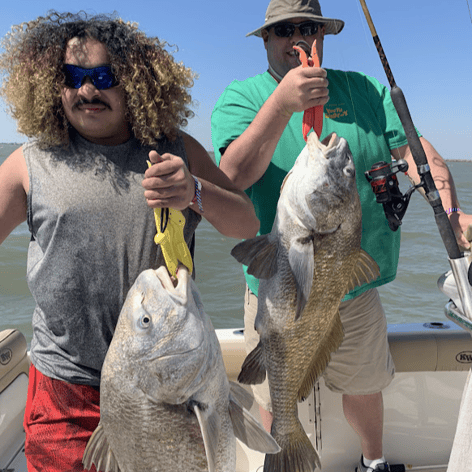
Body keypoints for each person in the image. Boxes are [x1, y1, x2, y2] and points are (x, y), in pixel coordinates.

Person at [210, 0, 472, 471]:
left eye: (308, 28)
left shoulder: (363, 88)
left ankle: (374, 462)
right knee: (278, 386)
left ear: (323, 35)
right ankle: (282, 454)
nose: (298, 39)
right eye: (284, 30)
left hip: (351, 286)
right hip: (278, 291)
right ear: (265, 40)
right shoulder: (241, 98)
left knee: (366, 383)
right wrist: (282, 103)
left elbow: (413, 150)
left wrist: (451, 210)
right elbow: (231, 178)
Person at [0, 12, 259, 472]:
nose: (87, 90)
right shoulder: (28, 163)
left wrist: (195, 192)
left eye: (104, 76)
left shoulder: (177, 149)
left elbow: (245, 222)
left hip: (169, 384)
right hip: (65, 388)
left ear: (137, 81)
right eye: (72, 77)